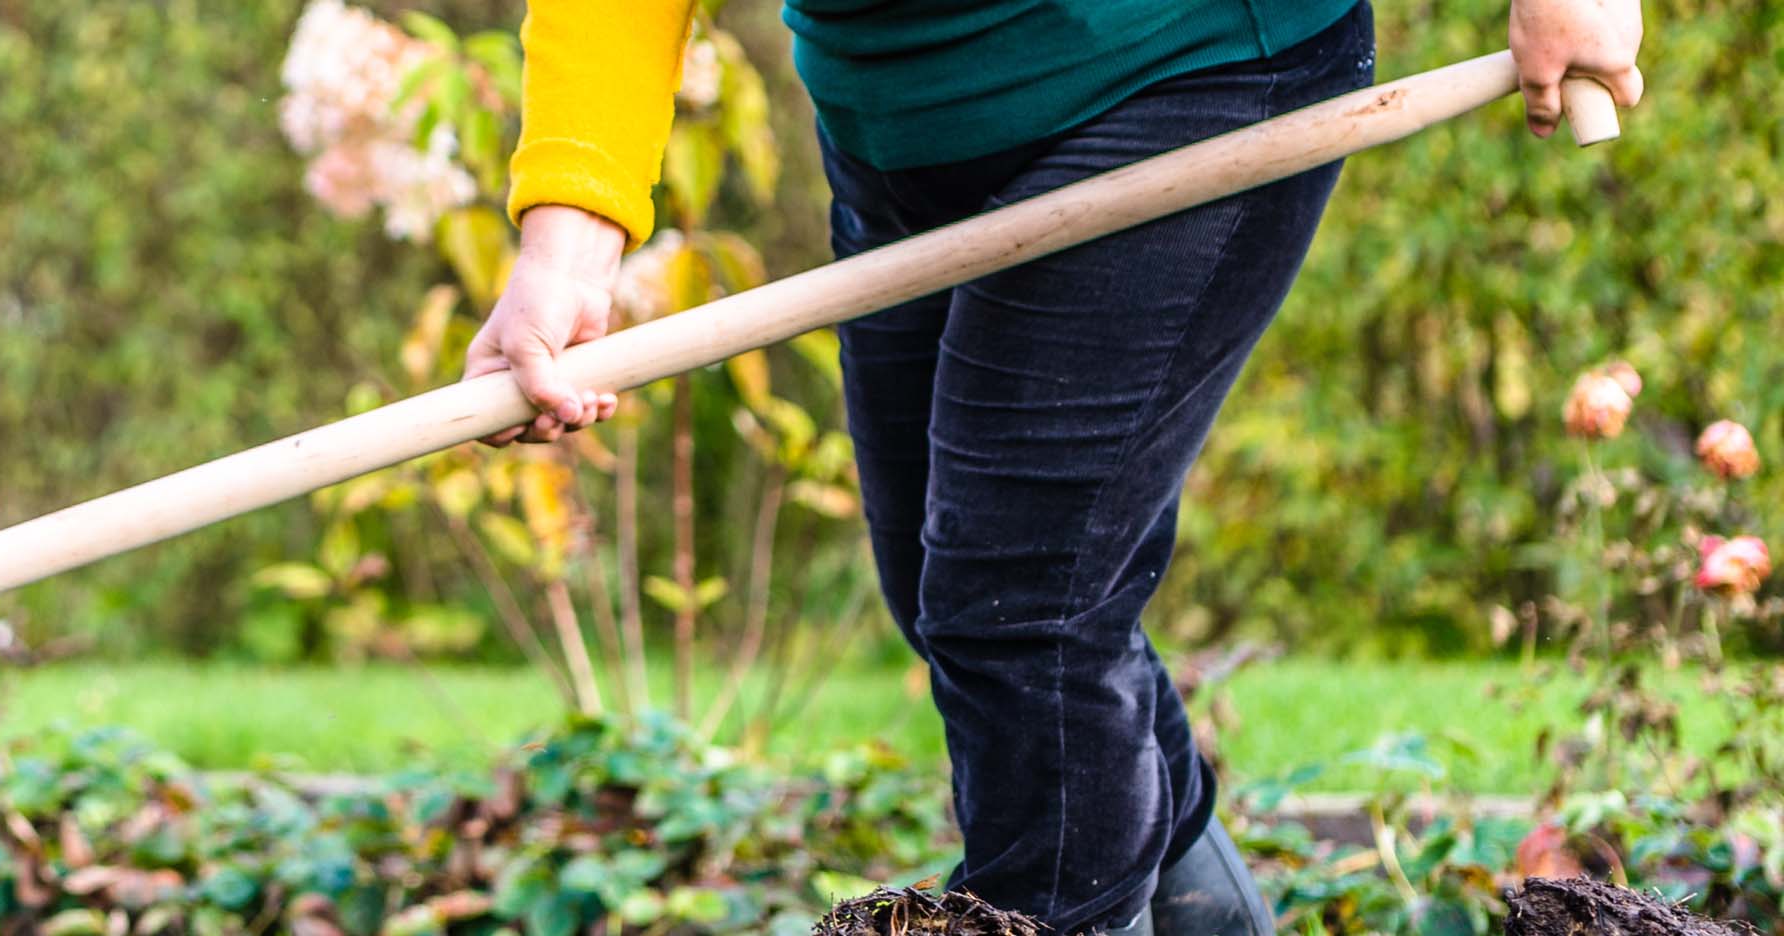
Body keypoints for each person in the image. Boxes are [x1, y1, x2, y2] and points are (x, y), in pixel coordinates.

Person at [461, 0, 1643, 932]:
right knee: (972, 604)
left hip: (1182, 67)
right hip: (901, 132)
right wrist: (568, 240)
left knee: (1019, 610)